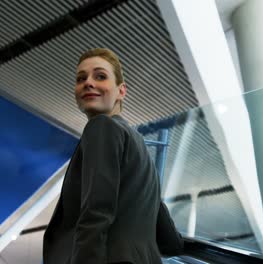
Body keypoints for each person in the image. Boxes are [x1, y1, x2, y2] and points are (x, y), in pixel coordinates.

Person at [43, 48, 183, 264]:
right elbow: (168, 237)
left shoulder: (101, 127)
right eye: (81, 78)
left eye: (100, 76)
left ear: (121, 91)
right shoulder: (140, 147)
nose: (88, 83)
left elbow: (96, 211)